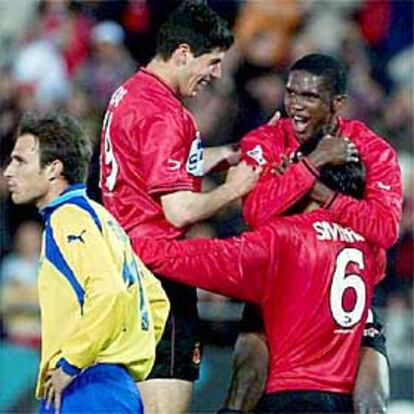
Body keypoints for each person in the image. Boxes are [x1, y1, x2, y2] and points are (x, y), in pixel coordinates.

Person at [99, 2, 261, 412]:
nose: (217, 74)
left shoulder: (129, 93)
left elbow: (150, 165)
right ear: (184, 53)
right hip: (160, 279)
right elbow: (180, 210)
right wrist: (233, 189)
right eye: (213, 62)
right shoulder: (168, 114)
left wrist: (220, 155)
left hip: (118, 271)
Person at [223, 53, 402, 413]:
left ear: (338, 104)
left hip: (343, 298)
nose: (295, 106)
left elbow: (385, 229)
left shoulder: (373, 151)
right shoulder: (265, 140)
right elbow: (256, 212)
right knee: (243, 386)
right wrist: (314, 163)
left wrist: (324, 195)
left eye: (309, 97)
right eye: (290, 93)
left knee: (373, 403)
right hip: (278, 293)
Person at [149, 159, 383, 413]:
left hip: (290, 397)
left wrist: (136, 244)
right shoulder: (369, 247)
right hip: (341, 401)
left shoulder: (285, 237)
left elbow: (199, 259)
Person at [4, 112, 169, 414]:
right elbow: (155, 300)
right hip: (114, 385)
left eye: (20, 161)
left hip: (86, 385)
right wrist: (127, 350)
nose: (8, 172)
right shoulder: (103, 219)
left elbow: (109, 292)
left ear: (53, 169)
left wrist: (72, 363)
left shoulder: (68, 218)